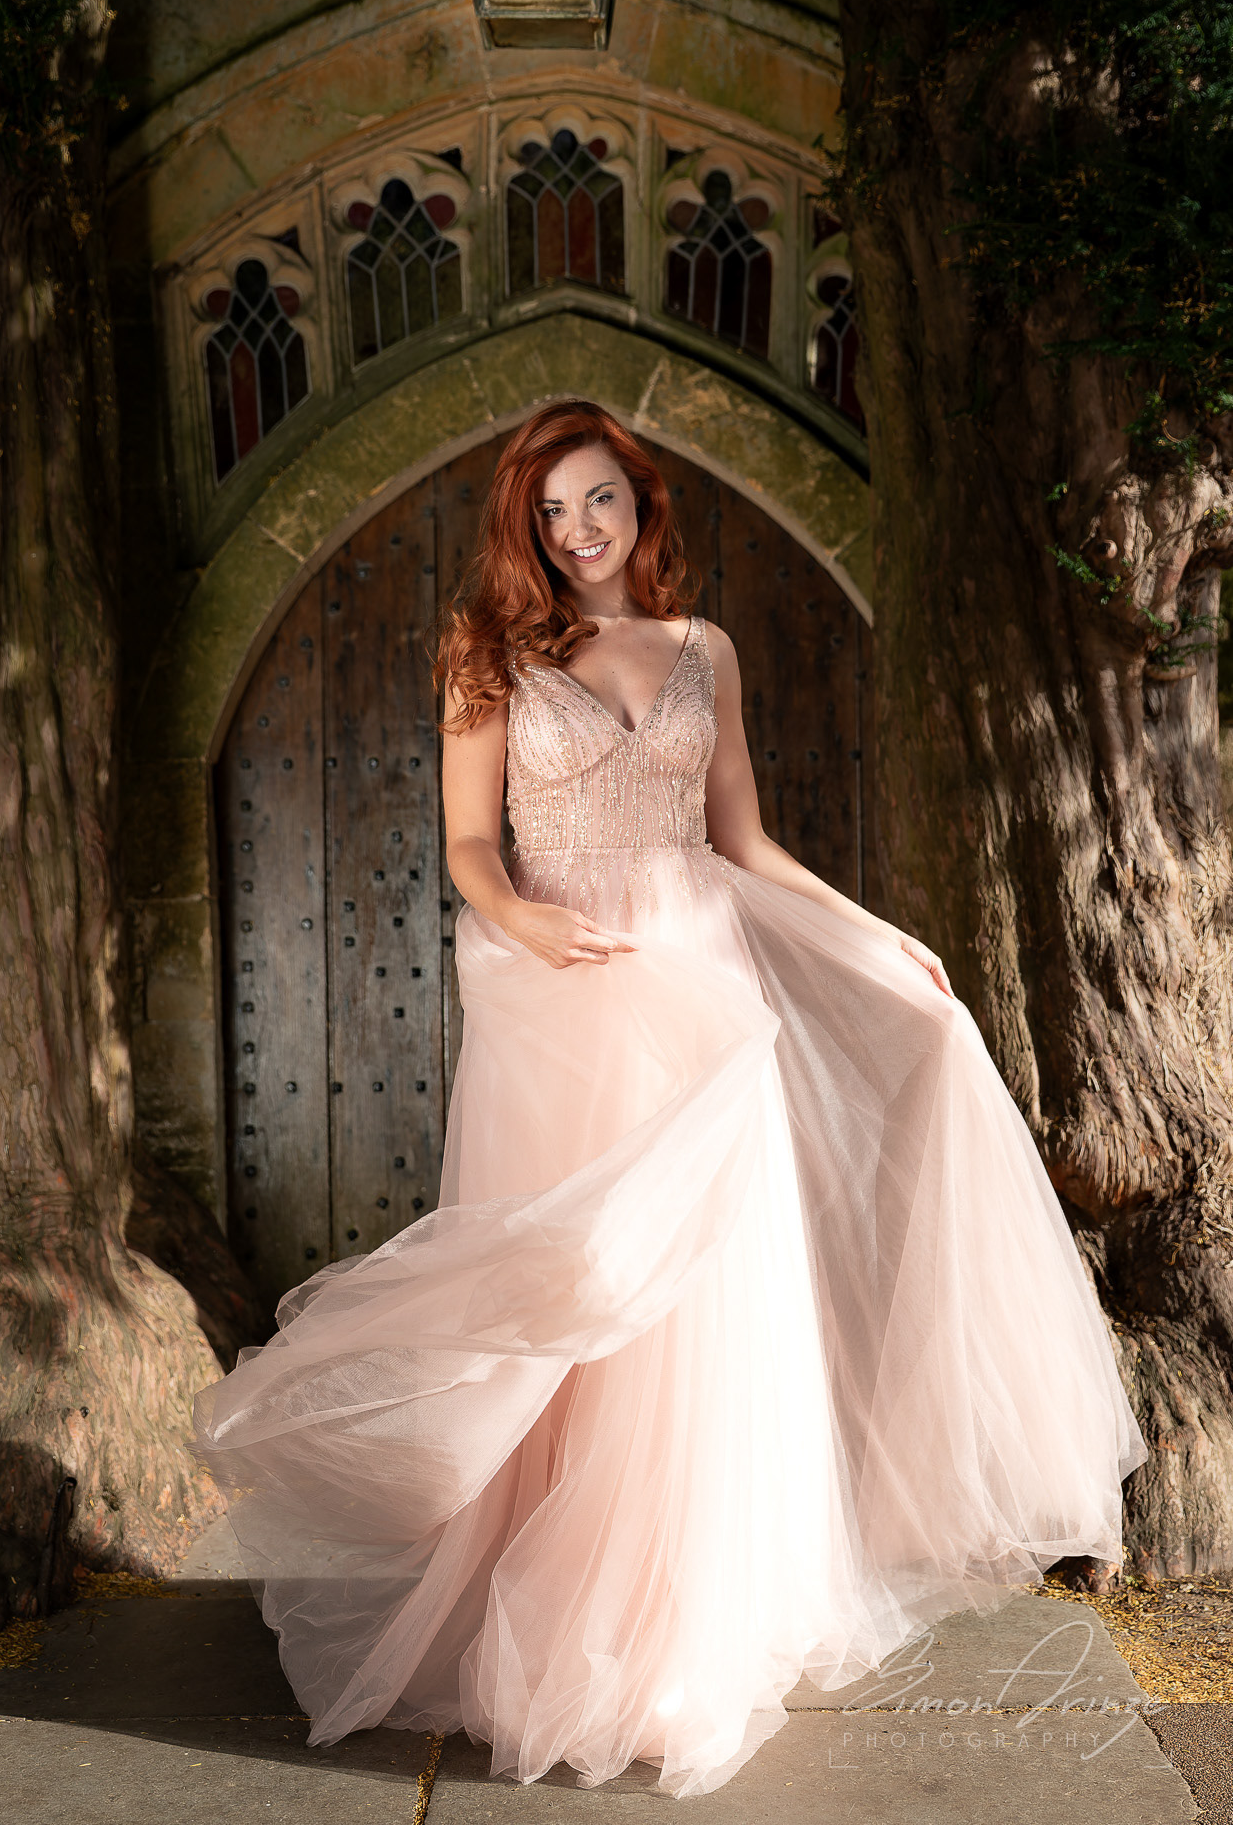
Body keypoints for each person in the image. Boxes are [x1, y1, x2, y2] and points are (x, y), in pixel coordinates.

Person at [191, 398, 1148, 1801]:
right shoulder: (492, 655)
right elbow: (467, 847)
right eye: (553, 511)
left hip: (707, 994)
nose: (578, 532)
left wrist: (881, 939)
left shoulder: (707, 650)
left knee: (714, 1305)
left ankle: (691, 1631)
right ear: (527, 527)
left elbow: (743, 840)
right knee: (589, 1292)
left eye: (601, 503)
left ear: (643, 509)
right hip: (568, 1000)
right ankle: (564, 1615)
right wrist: (524, 925)